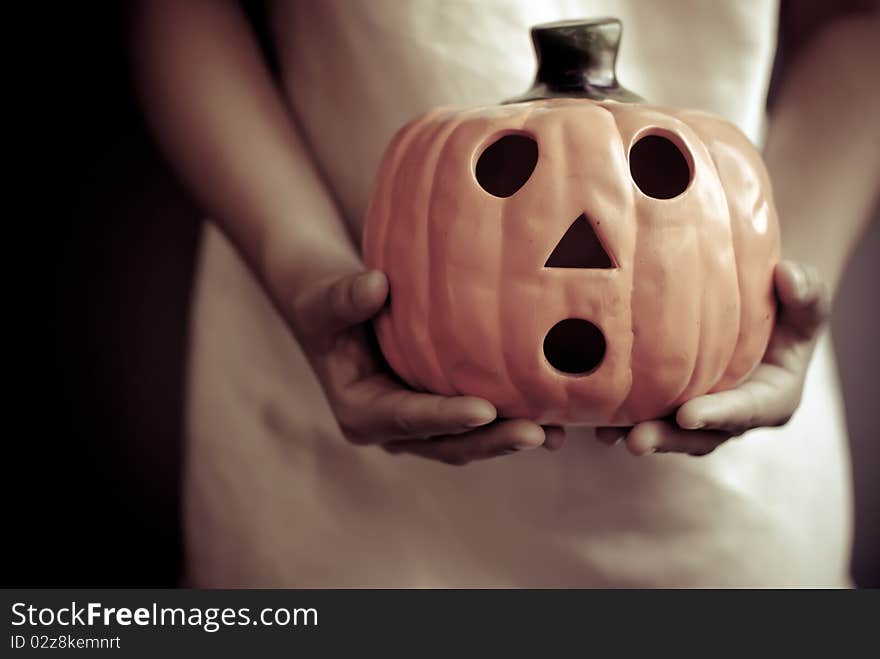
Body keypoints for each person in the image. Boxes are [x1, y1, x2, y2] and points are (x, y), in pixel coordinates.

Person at [131, 0, 879, 587]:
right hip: (335, 484)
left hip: (718, 513)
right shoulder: (437, 149)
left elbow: (859, 17)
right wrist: (300, 266)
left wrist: (771, 286)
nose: (585, 241)